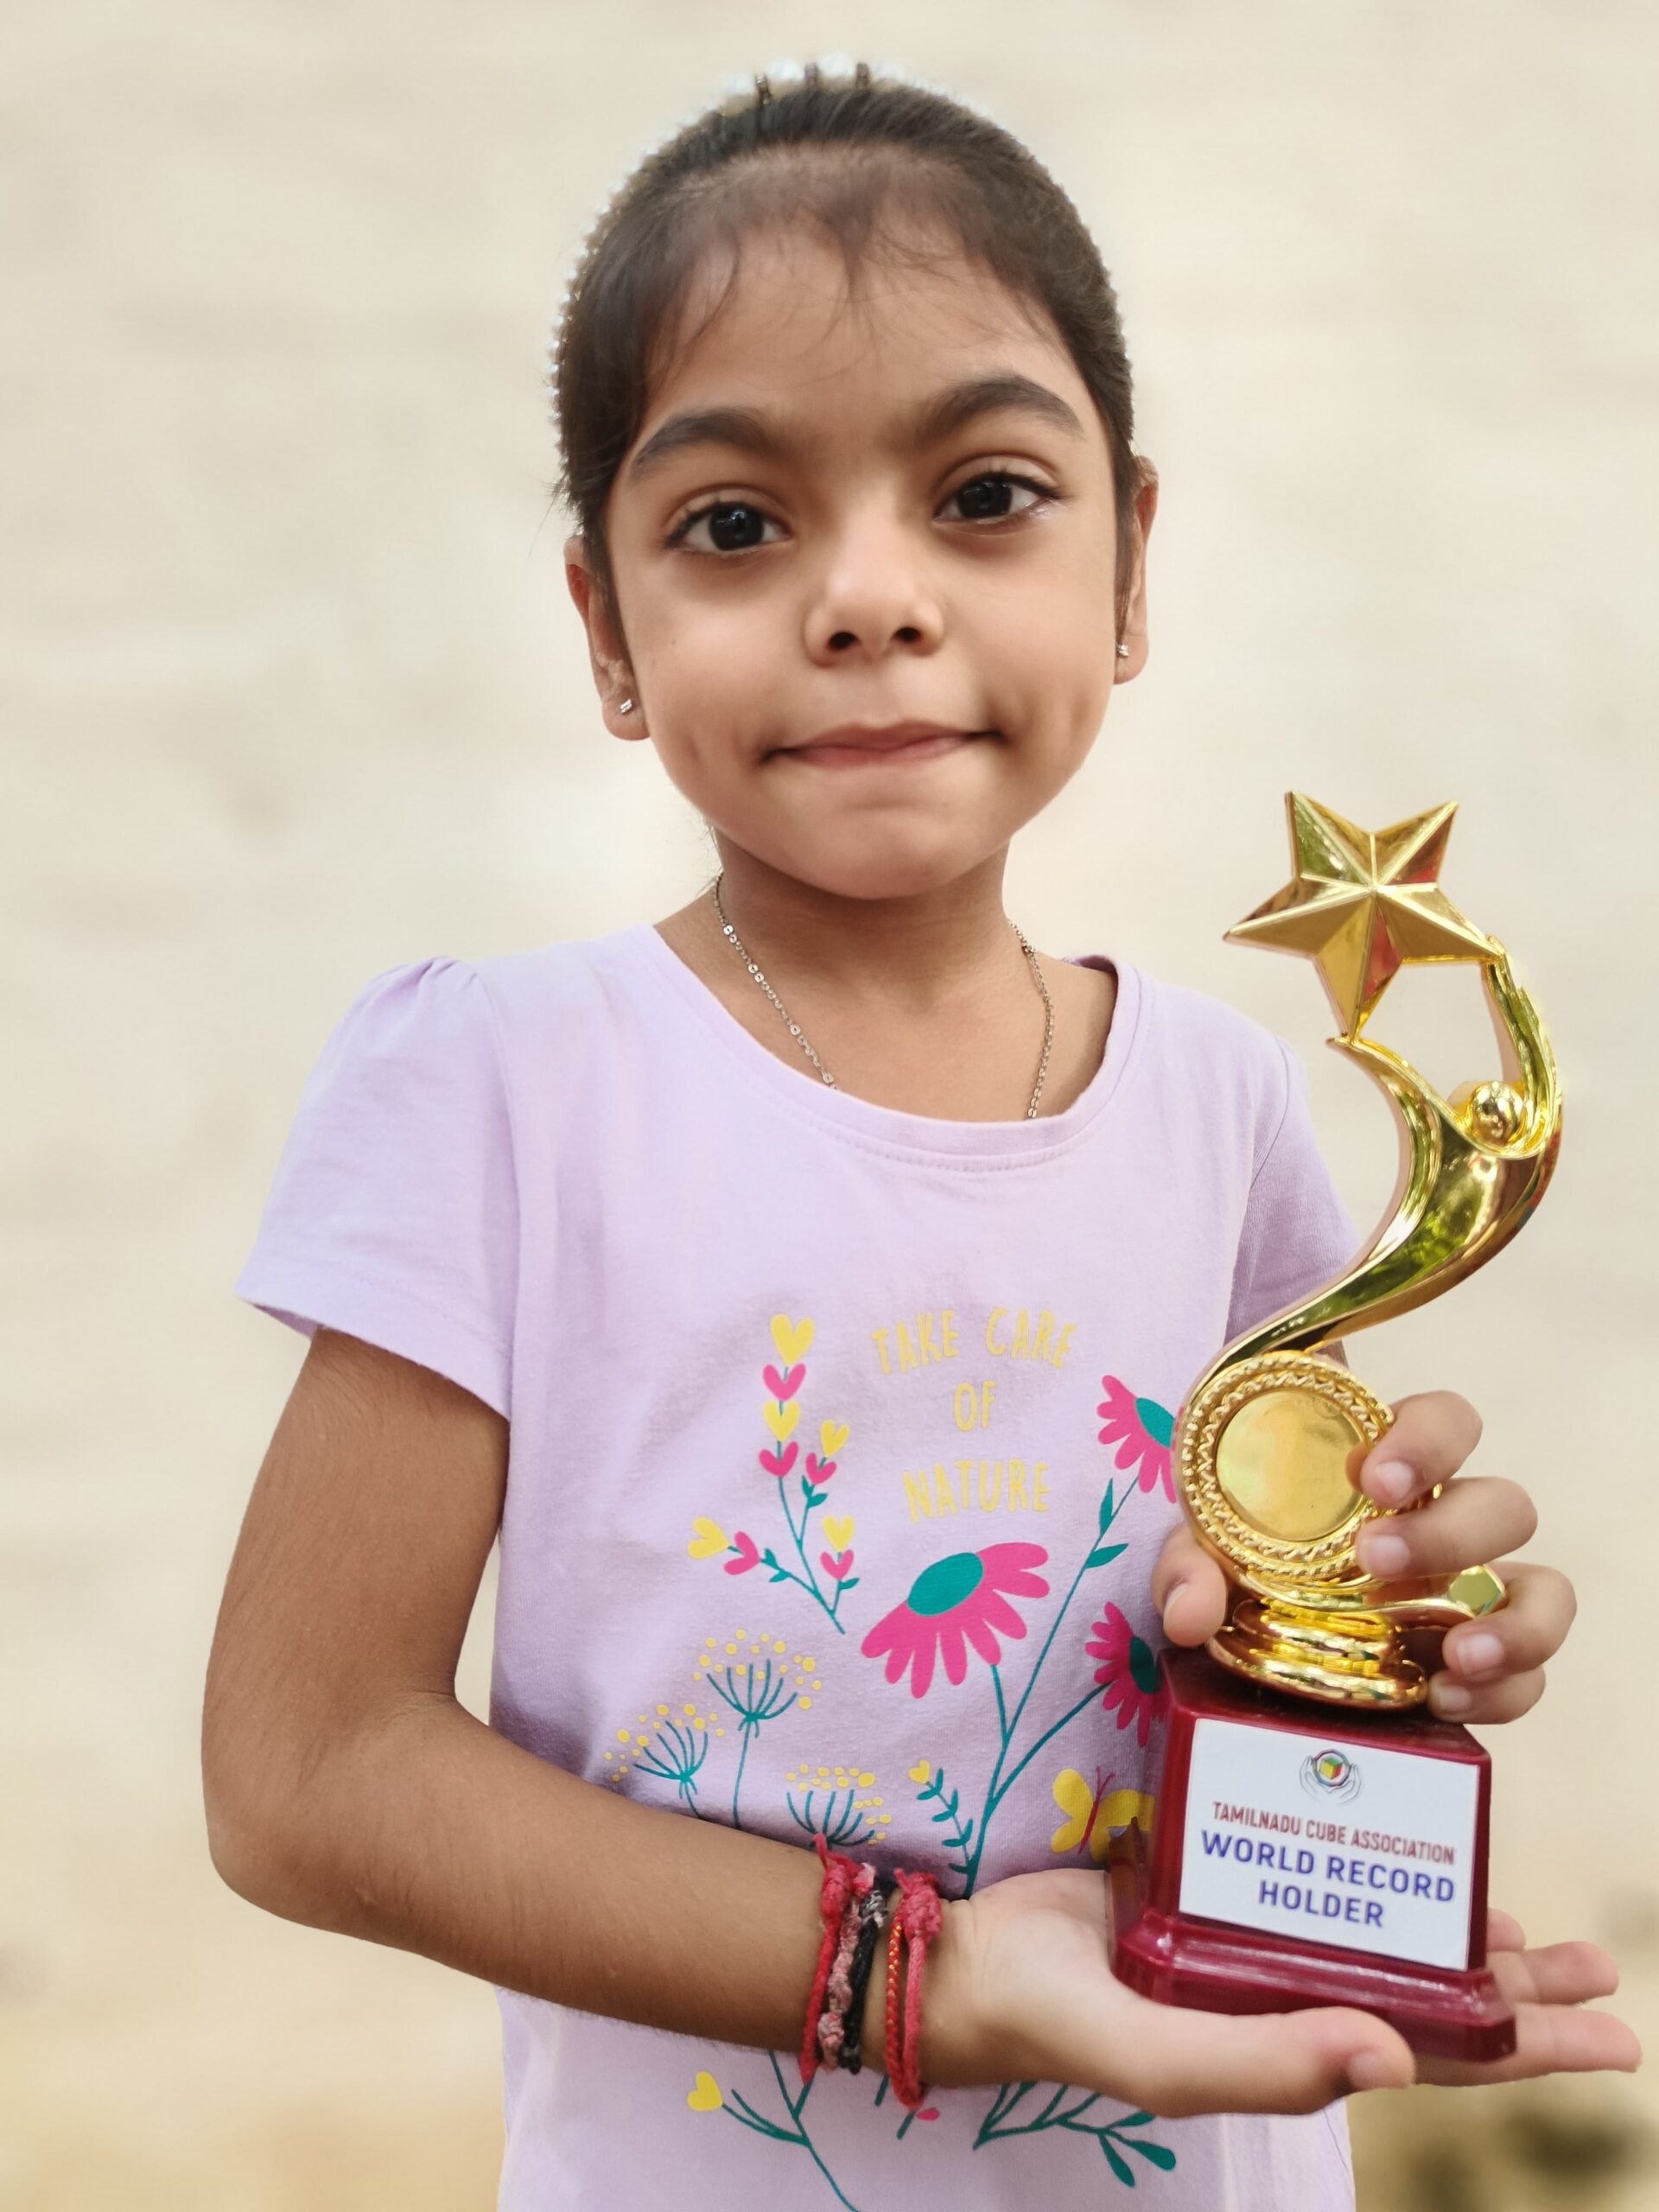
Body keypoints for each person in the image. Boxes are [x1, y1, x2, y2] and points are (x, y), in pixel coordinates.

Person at [201, 57, 1635, 2212]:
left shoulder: (1227, 1104)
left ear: (1130, 567)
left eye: (983, 493)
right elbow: (306, 1766)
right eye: (734, 523)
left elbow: (1246, 1645)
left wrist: (1395, 1629)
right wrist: (927, 1976)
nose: (869, 595)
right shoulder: (503, 1086)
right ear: (605, 629)